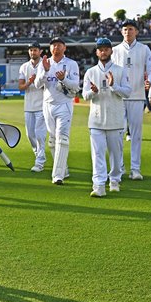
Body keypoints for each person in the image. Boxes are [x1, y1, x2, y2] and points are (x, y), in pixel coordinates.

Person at [82, 38, 131, 197]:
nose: (103, 52)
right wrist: (93, 92)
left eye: (106, 49)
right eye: (100, 49)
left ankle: (115, 179)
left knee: (116, 155)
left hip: (115, 120)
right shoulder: (90, 72)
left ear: (111, 51)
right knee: (97, 155)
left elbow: (127, 92)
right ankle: (99, 185)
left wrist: (113, 85)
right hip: (96, 121)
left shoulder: (120, 70)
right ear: (96, 52)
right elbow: (84, 96)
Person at [112, 19, 151, 180]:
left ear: (136, 32)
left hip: (137, 97)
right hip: (118, 97)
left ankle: (135, 169)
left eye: (130, 29)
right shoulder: (115, 50)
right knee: (118, 133)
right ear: (121, 32)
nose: (127, 32)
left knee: (136, 134)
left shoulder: (144, 49)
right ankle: (120, 167)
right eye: (125, 29)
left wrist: (149, 81)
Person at [34, 37, 80, 185]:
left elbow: (75, 86)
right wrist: (46, 71)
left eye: (59, 45)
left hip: (64, 104)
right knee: (53, 141)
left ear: (64, 48)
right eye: (53, 45)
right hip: (48, 105)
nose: (56, 47)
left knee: (63, 138)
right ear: (50, 48)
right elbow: (37, 84)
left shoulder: (71, 64)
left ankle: (57, 175)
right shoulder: (44, 63)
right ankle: (64, 169)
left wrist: (64, 79)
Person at [18, 41, 47, 173]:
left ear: (40, 51)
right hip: (29, 106)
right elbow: (20, 87)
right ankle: (39, 155)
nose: (32, 52)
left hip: (42, 105)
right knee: (30, 135)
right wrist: (30, 81)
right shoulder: (24, 67)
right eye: (30, 50)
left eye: (35, 50)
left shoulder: (45, 65)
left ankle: (39, 162)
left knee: (40, 134)